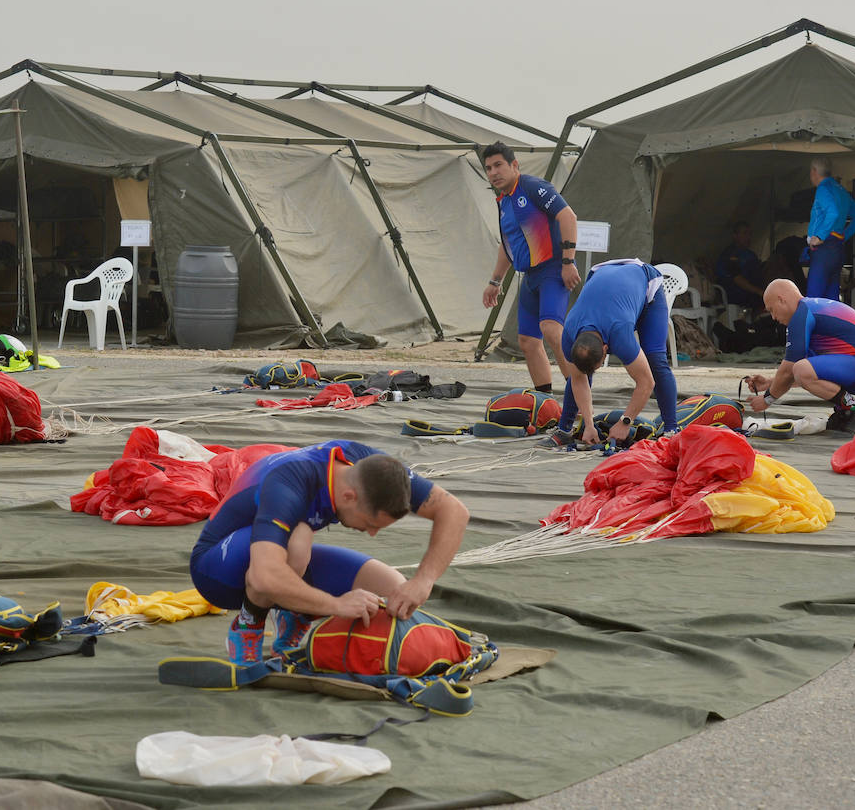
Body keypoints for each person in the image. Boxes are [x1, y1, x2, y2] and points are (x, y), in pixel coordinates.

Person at [189, 440, 469, 664]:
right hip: (217, 571)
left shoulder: (365, 463)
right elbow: (265, 576)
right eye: (371, 524)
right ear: (349, 496)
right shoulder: (289, 484)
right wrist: (336, 606)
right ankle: (249, 623)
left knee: (393, 589)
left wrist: (423, 580)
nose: (373, 533)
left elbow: (454, 511)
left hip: (277, 556)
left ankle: (294, 613)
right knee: (299, 538)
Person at [481, 142, 581, 396]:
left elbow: (568, 216)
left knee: (551, 329)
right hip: (530, 276)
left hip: (553, 269)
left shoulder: (532, 187)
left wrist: (568, 261)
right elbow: (508, 244)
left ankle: (579, 401)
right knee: (527, 342)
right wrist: (495, 282)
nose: (493, 172)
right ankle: (545, 402)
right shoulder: (504, 201)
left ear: (514, 165)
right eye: (488, 168)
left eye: (498, 165)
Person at [551, 259, 680, 447]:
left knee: (655, 359)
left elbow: (646, 383)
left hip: (645, 283)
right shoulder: (569, 334)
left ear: (606, 349)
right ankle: (565, 429)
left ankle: (671, 429)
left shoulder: (620, 335)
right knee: (578, 373)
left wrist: (625, 422)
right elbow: (578, 379)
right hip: (606, 277)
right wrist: (588, 425)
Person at [744, 279, 855, 432]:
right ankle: (849, 409)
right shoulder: (809, 309)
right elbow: (810, 374)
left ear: (781, 300)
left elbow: (791, 370)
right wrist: (770, 383)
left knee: (801, 369)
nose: (773, 317)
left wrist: (767, 399)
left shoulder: (801, 314)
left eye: (771, 310)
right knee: (804, 368)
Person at [805, 157, 855, 301]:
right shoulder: (840, 190)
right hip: (837, 249)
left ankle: (813, 324)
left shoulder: (823, 189)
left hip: (824, 250)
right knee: (831, 301)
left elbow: (832, 212)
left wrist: (820, 236)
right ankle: (831, 324)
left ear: (814, 172)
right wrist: (844, 235)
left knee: (814, 301)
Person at [714, 221, 764, 311]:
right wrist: (760, 292)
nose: (748, 237)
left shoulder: (751, 255)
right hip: (736, 295)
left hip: (752, 293)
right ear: (735, 236)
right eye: (745, 233)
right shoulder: (730, 255)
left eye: (750, 234)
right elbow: (737, 279)